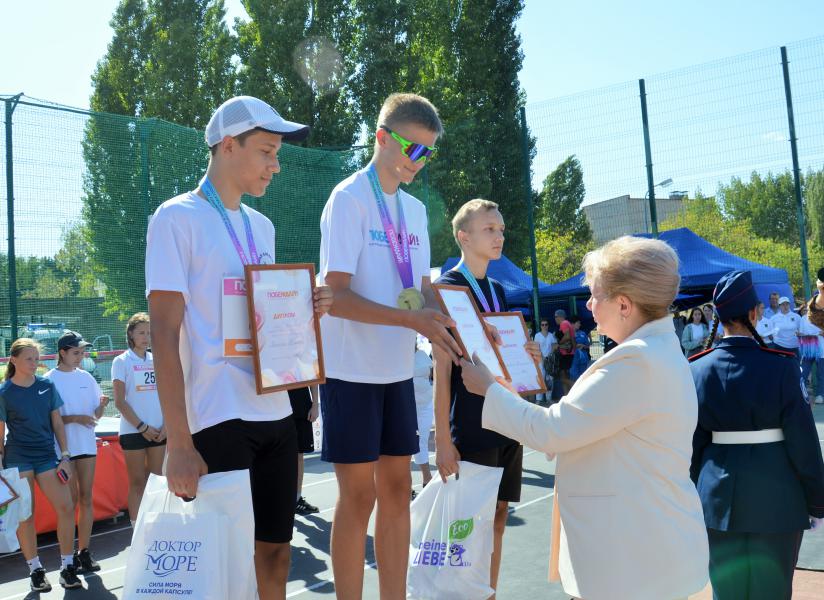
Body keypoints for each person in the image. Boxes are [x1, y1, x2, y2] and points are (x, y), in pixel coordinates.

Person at [146, 95, 333, 600]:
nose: (276, 165)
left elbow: (261, 318)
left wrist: (302, 307)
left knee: (275, 552)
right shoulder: (175, 218)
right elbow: (163, 335)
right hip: (215, 417)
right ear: (229, 145)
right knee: (221, 566)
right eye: (268, 151)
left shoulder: (262, 226)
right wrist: (179, 444)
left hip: (275, 410)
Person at [459, 236, 709, 600]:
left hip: (632, 561)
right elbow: (574, 425)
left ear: (624, 304)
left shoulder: (637, 361)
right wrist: (508, 389)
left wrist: (489, 390)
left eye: (595, 295)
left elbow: (554, 431)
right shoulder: (653, 351)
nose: (589, 305)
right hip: (641, 552)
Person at [319, 92, 462, 600]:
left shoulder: (417, 211)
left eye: (428, 153)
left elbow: (421, 285)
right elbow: (332, 295)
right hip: (350, 371)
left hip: (398, 371)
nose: (418, 162)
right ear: (382, 137)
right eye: (413, 149)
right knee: (357, 498)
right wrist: (414, 318)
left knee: (398, 491)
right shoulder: (350, 197)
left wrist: (446, 317)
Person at [689, 270, 824, 599]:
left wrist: (694, 495)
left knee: (728, 592)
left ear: (718, 319)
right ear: (755, 313)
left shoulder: (696, 368)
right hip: (777, 500)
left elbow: (691, 446)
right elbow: (802, 440)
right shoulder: (780, 365)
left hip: (716, 501)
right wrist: (817, 502)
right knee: (773, 591)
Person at [433, 198, 542, 597]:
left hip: (506, 416)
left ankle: (489, 592)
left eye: (500, 229)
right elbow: (443, 371)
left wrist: (530, 355)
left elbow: (506, 357)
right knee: (469, 524)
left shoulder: (497, 289)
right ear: (463, 237)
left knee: (498, 514)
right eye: (488, 230)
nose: (498, 236)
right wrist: (442, 439)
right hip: (472, 420)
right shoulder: (446, 290)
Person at [0, 339, 83, 591]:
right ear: (13, 360)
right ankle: (35, 570)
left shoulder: (47, 385)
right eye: (29, 359)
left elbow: (57, 424)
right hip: (17, 458)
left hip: (47, 457)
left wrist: (65, 456)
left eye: (37, 359)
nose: (35, 363)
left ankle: (68, 567)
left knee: (66, 507)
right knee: (26, 516)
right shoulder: (4, 393)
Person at [45, 331, 109, 573]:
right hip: (63, 451)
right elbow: (50, 419)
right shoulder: (49, 380)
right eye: (76, 352)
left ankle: (84, 552)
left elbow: (95, 417)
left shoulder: (87, 377)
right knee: (69, 503)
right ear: (62, 353)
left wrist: (100, 407)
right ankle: (68, 556)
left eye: (82, 352)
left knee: (86, 499)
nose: (81, 356)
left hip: (87, 446)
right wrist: (75, 418)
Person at [112, 312, 165, 526]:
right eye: (141, 332)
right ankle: (136, 528)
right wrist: (142, 427)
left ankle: (156, 524)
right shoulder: (121, 361)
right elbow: (119, 401)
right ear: (131, 334)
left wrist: (167, 425)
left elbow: (166, 394)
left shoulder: (157, 359)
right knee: (137, 482)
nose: (146, 337)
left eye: (149, 333)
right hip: (134, 431)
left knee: (157, 481)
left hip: (159, 430)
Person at [289, 385, 320, 515]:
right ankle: (280, 500)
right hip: (274, 405)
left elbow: (312, 373)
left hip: (300, 403)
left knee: (298, 454)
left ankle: (296, 500)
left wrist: (315, 404)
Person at [412, 340, 434, 492]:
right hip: (407, 406)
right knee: (405, 445)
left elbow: (433, 374)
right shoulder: (397, 358)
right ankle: (407, 484)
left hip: (426, 405)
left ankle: (427, 480)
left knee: (422, 442)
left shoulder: (422, 354)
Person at [798, 303, 824, 405]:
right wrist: (800, 335)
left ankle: (820, 395)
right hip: (808, 349)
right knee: (803, 372)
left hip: (822, 350)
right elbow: (801, 333)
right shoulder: (803, 318)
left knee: (821, 374)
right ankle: (801, 394)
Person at [533, 318, 555, 404]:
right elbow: (536, 347)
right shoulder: (537, 335)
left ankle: (549, 398)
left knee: (550, 379)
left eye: (546, 324)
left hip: (549, 360)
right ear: (540, 326)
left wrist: (549, 356)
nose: (544, 326)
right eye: (543, 324)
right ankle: (539, 399)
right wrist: (542, 357)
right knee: (540, 378)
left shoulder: (551, 335)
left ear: (548, 325)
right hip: (540, 360)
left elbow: (554, 346)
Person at [554, 309, 576, 394]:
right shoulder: (567, 324)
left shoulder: (564, 323)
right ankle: (566, 396)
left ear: (560, 317)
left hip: (566, 354)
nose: (555, 319)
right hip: (569, 353)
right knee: (564, 377)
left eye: (556, 317)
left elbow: (567, 336)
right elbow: (572, 338)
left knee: (563, 378)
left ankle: (577, 387)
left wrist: (559, 343)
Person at [568, 315, 591, 381]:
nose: (580, 324)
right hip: (572, 360)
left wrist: (583, 346)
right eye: (578, 323)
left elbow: (588, 346)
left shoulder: (583, 333)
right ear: (572, 324)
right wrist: (574, 346)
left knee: (583, 379)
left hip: (583, 360)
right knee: (574, 379)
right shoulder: (567, 334)